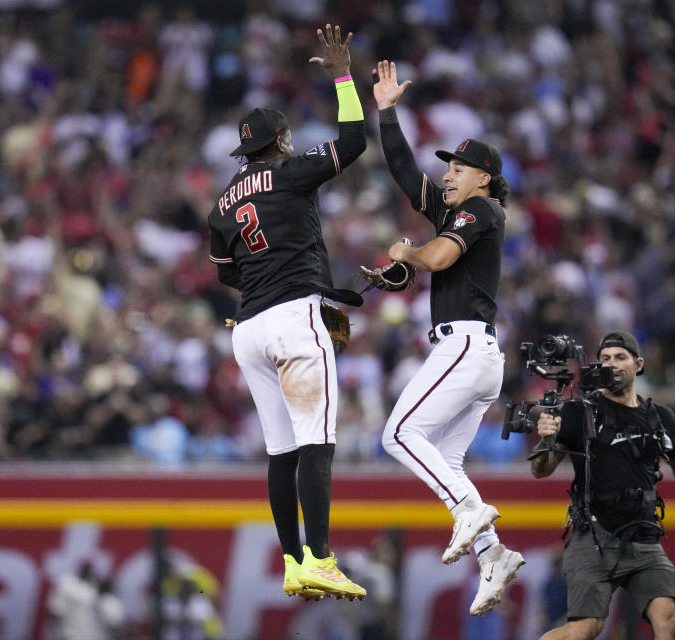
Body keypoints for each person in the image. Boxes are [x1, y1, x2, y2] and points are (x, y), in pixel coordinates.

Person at [207, 24, 366, 601]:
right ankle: (321, 557)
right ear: (281, 141)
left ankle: (294, 560)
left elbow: (227, 271)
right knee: (318, 441)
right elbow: (353, 142)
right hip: (294, 315)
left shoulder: (223, 201)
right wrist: (346, 79)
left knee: (282, 450)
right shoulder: (291, 170)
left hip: (248, 329)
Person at [371, 59, 524, 616]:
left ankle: (468, 509)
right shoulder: (456, 208)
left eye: (457, 167)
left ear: (482, 176)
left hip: (464, 346)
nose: (447, 175)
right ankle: (494, 555)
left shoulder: (482, 208)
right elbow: (403, 170)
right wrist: (387, 111)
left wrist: (407, 253)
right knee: (448, 462)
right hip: (473, 352)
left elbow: (437, 256)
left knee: (399, 435)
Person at [532, 330, 675, 640]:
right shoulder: (579, 412)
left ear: (638, 364)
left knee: (670, 619)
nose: (611, 364)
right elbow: (541, 469)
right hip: (594, 536)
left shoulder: (660, 417)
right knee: (584, 629)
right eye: (604, 359)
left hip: (642, 536)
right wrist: (546, 438)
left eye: (619, 357)